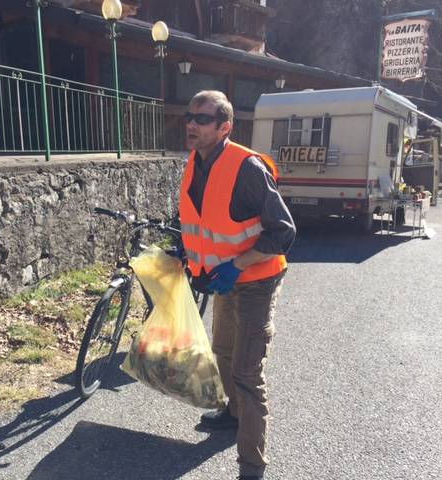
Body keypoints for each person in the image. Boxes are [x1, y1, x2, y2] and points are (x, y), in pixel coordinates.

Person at [179, 90, 296, 480]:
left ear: (225, 126)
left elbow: (283, 233)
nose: (192, 124)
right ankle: (232, 416)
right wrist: (186, 256)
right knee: (222, 352)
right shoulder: (196, 161)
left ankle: (252, 467)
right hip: (223, 278)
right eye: (189, 116)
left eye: (202, 119)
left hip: (257, 281)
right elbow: (198, 220)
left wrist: (238, 264)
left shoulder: (247, 168)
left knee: (247, 374)